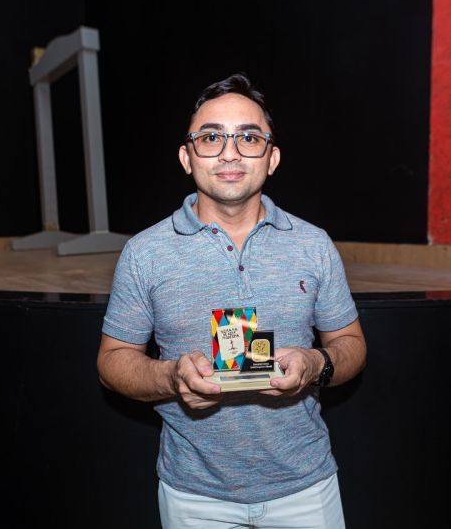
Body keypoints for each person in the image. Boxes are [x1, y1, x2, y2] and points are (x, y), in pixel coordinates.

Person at [97, 73, 367, 528]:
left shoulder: (314, 245)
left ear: (271, 158)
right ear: (186, 157)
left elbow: (352, 345)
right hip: (194, 495)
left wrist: (314, 363)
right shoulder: (144, 253)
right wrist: (171, 377)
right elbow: (111, 362)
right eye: (210, 138)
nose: (229, 152)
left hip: (306, 487)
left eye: (248, 137)